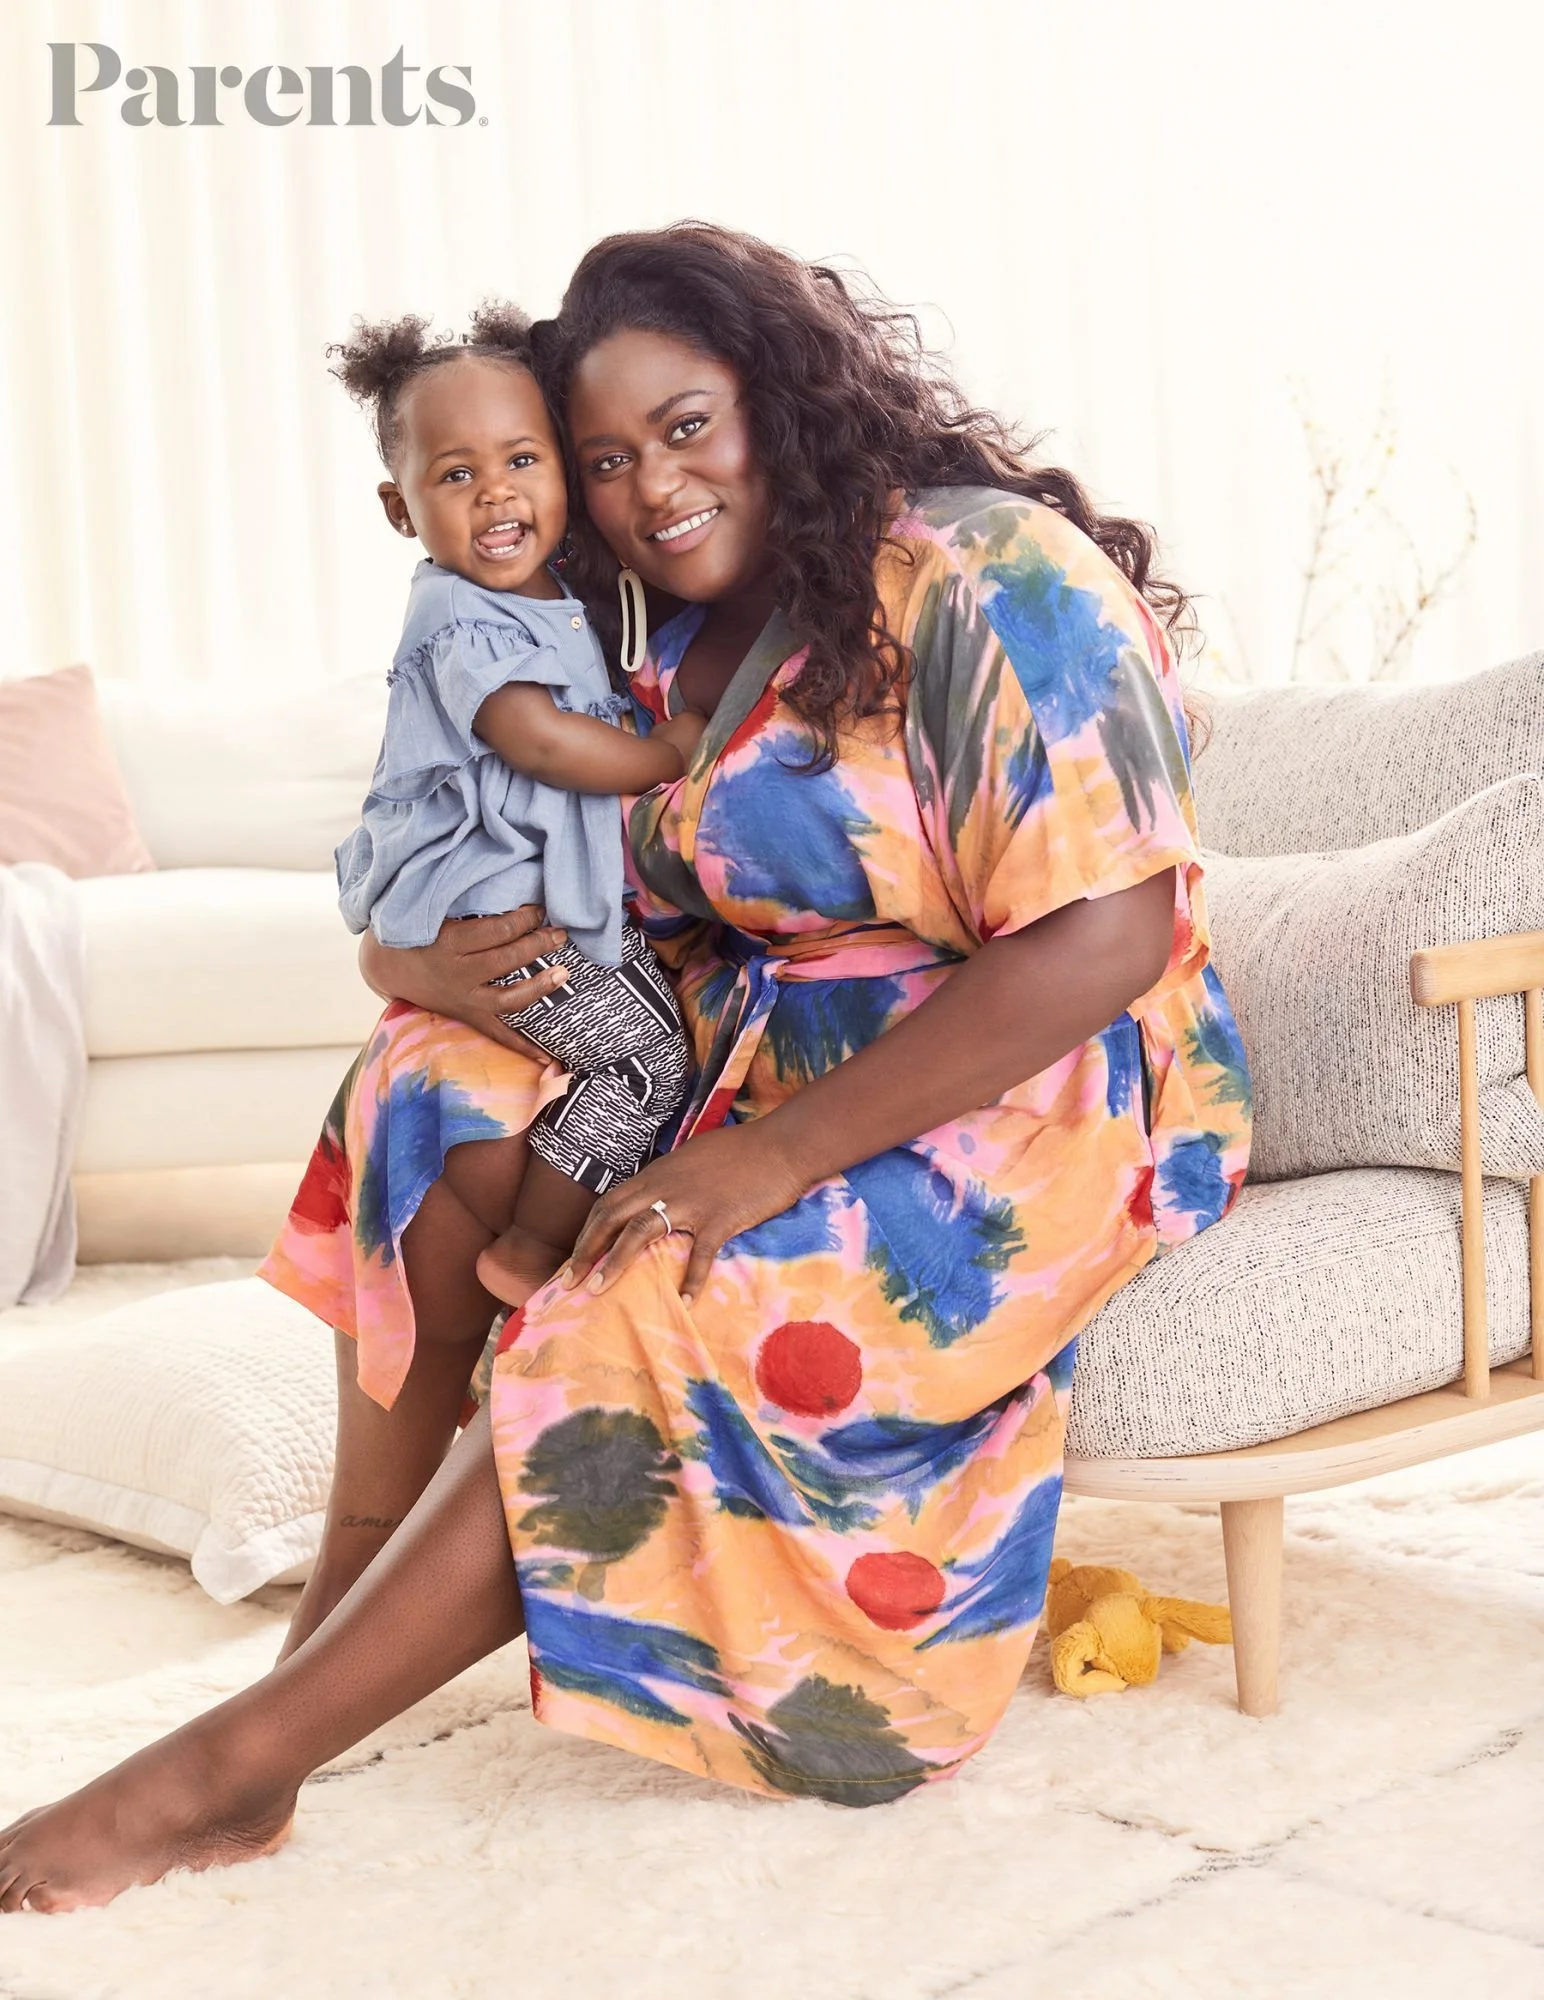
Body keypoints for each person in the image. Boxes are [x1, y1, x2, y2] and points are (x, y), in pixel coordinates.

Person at [0, 223, 1251, 1915]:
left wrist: (764, 1158)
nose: (650, 485)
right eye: (604, 459)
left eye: (686, 424)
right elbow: (559, 895)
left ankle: (229, 1770)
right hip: (758, 1053)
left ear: (784, 395)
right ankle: (302, 1686)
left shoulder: (981, 573)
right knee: (422, 1097)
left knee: (644, 1274)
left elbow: (1105, 936)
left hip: (1026, 1087)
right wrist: (426, 973)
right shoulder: (668, 638)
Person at [324, 302, 702, 1318]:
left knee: (651, 1046)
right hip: (509, 914)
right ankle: (532, 1247)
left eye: (521, 460)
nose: (494, 491)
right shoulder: (458, 616)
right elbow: (533, 737)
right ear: (400, 509)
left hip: (527, 901)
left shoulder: (552, 598)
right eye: (455, 474)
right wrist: (662, 751)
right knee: (645, 1058)